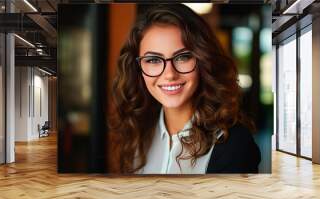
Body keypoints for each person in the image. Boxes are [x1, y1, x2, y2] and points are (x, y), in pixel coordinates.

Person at [110, 4, 261, 174]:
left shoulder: (235, 145)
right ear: (138, 68)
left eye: (183, 57)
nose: (169, 74)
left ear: (203, 60)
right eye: (153, 60)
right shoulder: (137, 132)